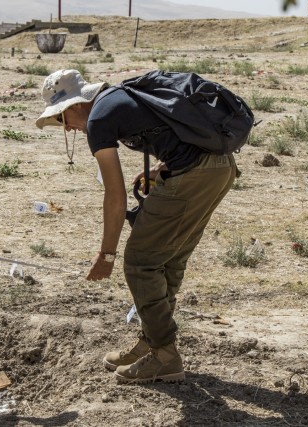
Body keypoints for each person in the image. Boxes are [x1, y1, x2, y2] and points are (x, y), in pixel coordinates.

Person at [36, 69, 237, 384]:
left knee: (140, 263)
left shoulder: (98, 120)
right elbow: (173, 131)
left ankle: (165, 355)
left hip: (196, 175)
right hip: (220, 169)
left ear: (75, 105)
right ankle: (153, 341)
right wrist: (163, 167)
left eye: (61, 120)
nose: (68, 129)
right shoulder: (119, 98)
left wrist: (106, 255)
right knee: (168, 260)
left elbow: (114, 197)